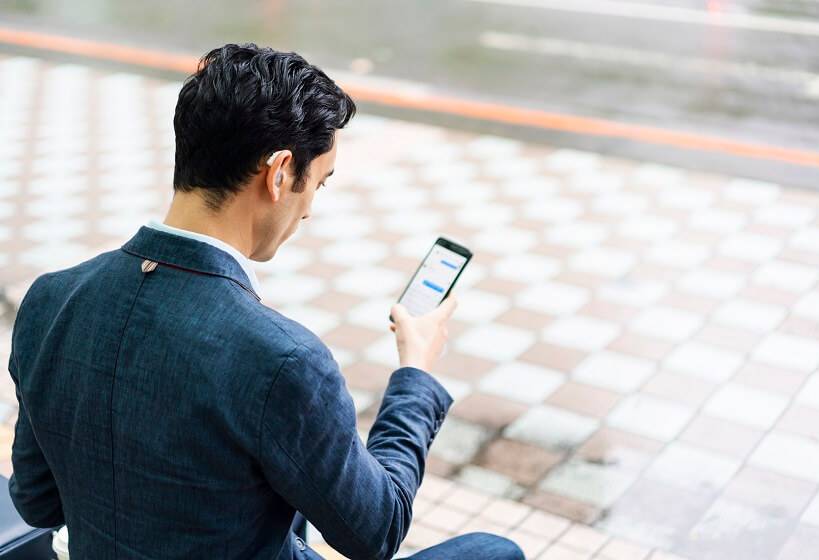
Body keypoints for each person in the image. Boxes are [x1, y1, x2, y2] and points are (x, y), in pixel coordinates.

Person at [7, 43, 524, 560]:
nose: (308, 212)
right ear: (279, 174)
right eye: (317, 184)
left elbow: (36, 501)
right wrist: (415, 377)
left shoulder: (52, 299)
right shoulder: (281, 359)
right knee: (492, 549)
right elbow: (377, 531)